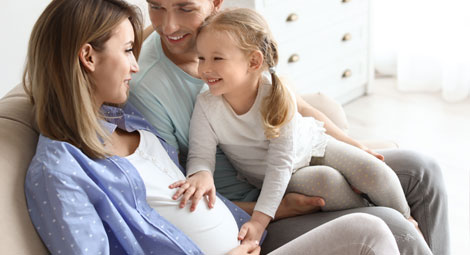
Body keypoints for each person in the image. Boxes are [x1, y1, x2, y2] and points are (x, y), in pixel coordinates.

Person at [22, 0, 401, 254]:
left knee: (403, 189)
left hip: (247, 232)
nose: (135, 66)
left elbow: (186, 201)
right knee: (375, 230)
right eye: (125, 51)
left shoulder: (125, 119)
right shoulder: (60, 172)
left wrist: (271, 211)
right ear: (88, 56)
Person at [129, 0, 449, 254]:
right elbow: (180, 191)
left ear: (215, 3)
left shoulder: (236, 42)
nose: (168, 25)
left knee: (422, 169)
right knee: (394, 226)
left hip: (293, 166)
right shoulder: (151, 86)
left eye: (185, 7)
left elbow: (298, 110)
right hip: (251, 211)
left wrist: (353, 144)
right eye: (155, 6)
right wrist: (272, 210)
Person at [173, 8, 414, 243]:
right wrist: (201, 174)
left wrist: (258, 222)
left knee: (373, 171)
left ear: (254, 61)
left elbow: (283, 158)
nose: (205, 69)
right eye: (201, 58)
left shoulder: (276, 94)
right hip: (283, 176)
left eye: (217, 58)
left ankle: (407, 223)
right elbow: (201, 154)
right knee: (327, 183)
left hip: (313, 146)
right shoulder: (207, 105)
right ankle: (378, 217)